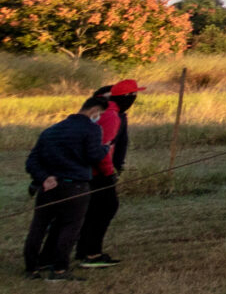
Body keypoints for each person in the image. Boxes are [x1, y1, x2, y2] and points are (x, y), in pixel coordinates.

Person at [23, 96, 106, 279]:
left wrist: (44, 178)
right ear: (94, 111)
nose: (99, 117)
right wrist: (105, 148)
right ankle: (60, 269)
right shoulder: (91, 129)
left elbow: (32, 161)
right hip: (75, 186)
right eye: (99, 113)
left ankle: (31, 267)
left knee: (39, 226)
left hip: (49, 186)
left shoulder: (51, 130)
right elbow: (93, 156)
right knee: (70, 227)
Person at [75, 81, 140, 267]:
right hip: (98, 172)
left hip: (89, 170)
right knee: (105, 208)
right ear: (126, 97)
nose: (135, 99)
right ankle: (92, 254)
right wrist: (109, 172)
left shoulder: (106, 112)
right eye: (133, 95)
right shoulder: (111, 115)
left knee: (94, 210)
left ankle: (83, 251)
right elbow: (102, 149)